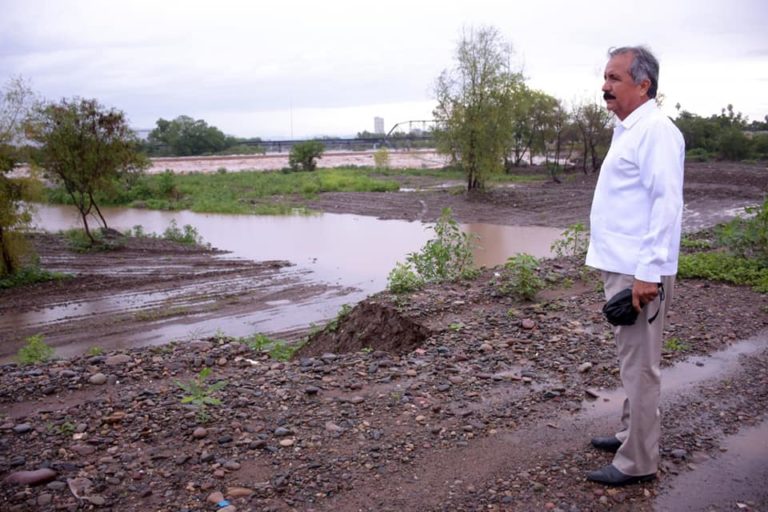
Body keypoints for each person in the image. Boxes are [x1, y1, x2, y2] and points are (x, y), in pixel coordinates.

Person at [584, 45, 685, 486]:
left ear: (644, 85)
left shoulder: (655, 131)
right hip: (624, 266)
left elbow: (666, 204)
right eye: (605, 77)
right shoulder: (628, 129)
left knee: (641, 367)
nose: (605, 86)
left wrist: (648, 273)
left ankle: (638, 461)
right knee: (632, 361)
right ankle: (630, 434)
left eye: (615, 78)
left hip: (639, 271)